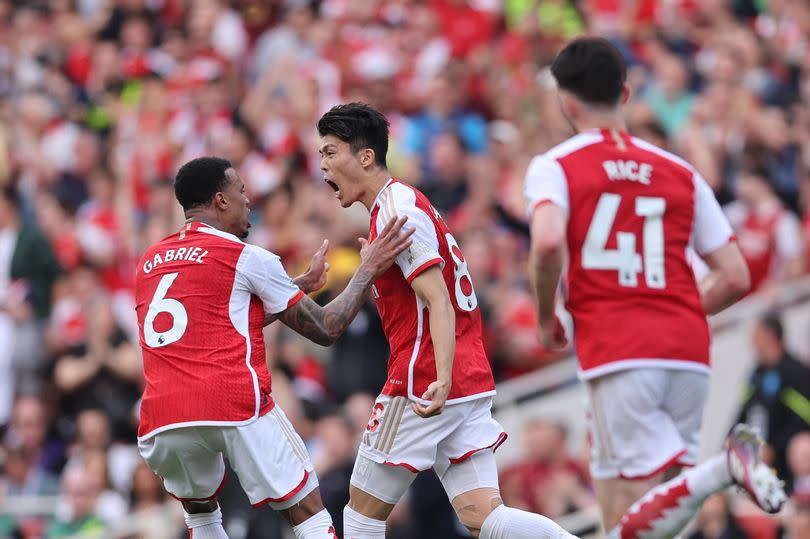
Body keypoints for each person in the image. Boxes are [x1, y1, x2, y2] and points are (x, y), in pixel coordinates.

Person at [524, 37, 786, 538]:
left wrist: (545, 314)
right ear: (625, 95)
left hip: (618, 347)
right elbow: (734, 275)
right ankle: (714, 473)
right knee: (646, 505)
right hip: (687, 349)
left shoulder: (556, 165)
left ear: (566, 101)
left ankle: (723, 469)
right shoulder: (680, 171)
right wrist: (680, 311)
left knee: (635, 514)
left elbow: (549, 239)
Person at [316, 102, 576, 539]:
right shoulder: (401, 205)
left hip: (424, 379)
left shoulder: (399, 211)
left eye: (329, 152)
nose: (322, 165)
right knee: (483, 517)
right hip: (465, 375)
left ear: (364, 157)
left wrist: (437, 377)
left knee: (360, 516)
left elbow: (438, 299)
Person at [134, 156, 413, 539]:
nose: (249, 201)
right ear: (221, 200)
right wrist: (367, 269)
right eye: (242, 192)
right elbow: (326, 328)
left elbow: (215, 323)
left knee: (201, 518)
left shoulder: (149, 262)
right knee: (307, 509)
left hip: (163, 414)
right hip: (231, 401)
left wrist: (295, 286)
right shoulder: (245, 256)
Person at [737, 314, 810, 488]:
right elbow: (742, 413)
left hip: (785, 465)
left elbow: (802, 417)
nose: (752, 340)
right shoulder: (756, 375)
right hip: (757, 458)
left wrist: (774, 450)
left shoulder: (794, 372)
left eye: (756, 334)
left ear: (770, 335)